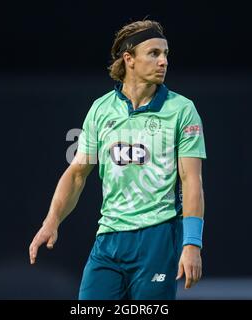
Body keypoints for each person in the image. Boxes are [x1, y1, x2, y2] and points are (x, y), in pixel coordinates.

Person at [29, 19, 207, 300]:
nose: (163, 61)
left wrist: (192, 244)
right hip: (109, 239)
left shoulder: (182, 111)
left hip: (157, 238)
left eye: (166, 54)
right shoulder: (101, 110)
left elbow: (191, 180)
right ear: (129, 59)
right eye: (154, 53)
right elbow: (77, 173)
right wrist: (52, 222)